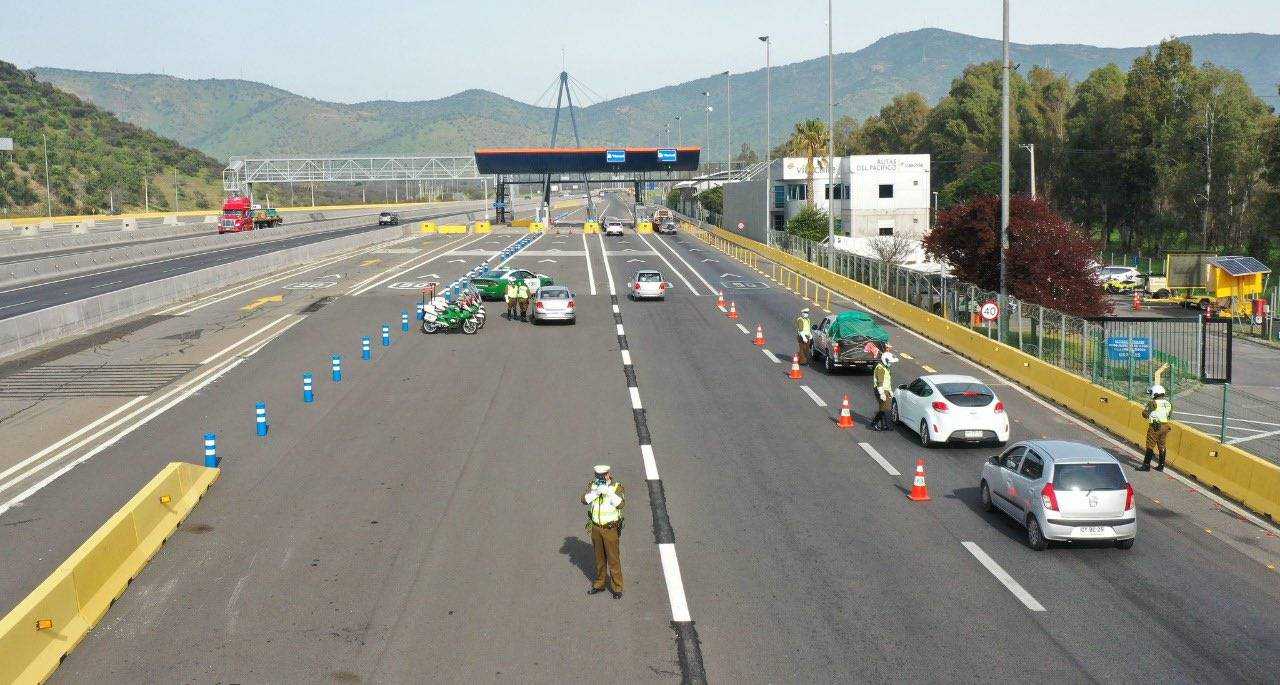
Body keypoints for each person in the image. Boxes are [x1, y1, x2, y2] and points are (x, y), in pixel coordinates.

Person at [583, 465, 625, 598]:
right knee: (599, 558)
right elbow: (583, 500)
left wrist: (608, 492)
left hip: (610, 529)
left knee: (613, 559)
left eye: (602, 476)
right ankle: (599, 583)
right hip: (595, 528)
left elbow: (621, 504)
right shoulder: (592, 486)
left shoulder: (616, 487)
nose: (599, 479)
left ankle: (617, 587)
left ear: (608, 475)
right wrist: (596, 493)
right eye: (597, 476)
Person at [1138, 384, 1172, 471]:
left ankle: (1146, 465)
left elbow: (1145, 414)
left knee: (1150, 445)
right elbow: (1169, 415)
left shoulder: (1153, 403)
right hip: (1165, 426)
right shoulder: (1168, 403)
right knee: (1162, 445)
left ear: (1155, 393)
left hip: (1155, 426)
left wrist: (1146, 413)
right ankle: (1161, 466)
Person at [870, 351, 898, 430]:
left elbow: (887, 381)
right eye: (890, 362)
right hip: (880, 389)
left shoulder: (886, 368)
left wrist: (890, 391)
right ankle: (885, 425)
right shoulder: (880, 368)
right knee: (886, 408)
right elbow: (880, 382)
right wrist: (882, 393)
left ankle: (880, 424)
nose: (891, 364)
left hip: (886, 389)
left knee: (884, 408)